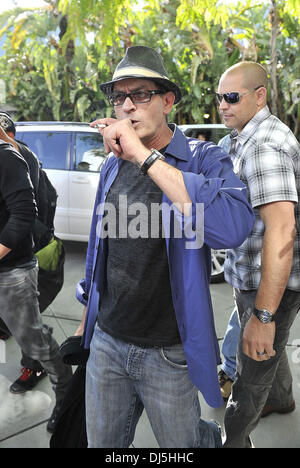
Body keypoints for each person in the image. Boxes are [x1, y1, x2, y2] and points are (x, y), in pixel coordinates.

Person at [75, 45, 254, 448]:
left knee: (184, 444)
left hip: (169, 354)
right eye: (119, 97)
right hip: (108, 342)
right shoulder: (110, 165)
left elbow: (230, 228)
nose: (127, 107)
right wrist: (88, 318)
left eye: (140, 94)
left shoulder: (202, 159)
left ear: (168, 101)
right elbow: (98, 246)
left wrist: (144, 156)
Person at [216, 61, 300, 448]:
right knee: (272, 351)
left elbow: (282, 230)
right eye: (219, 98)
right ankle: (282, 400)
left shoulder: (265, 145)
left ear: (260, 96)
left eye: (232, 97)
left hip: (271, 286)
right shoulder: (243, 137)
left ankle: (233, 441)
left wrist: (263, 316)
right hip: (249, 274)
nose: (223, 105)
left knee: (251, 375)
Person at [0, 122, 72, 433]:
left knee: (34, 339)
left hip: (13, 271)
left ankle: (66, 389)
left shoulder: (10, 157)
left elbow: (25, 214)